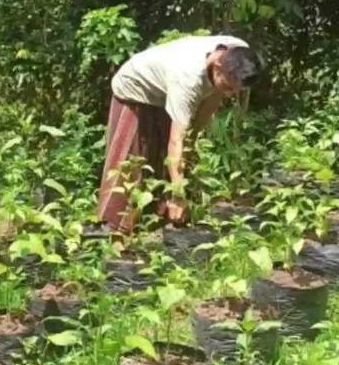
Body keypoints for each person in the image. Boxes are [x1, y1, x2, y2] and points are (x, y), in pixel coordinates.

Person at [96, 34, 262, 236]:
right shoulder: (186, 78)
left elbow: (200, 118)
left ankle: (155, 228)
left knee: (173, 162)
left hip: (166, 91)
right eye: (227, 87)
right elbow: (177, 141)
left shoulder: (238, 51)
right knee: (133, 165)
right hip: (135, 89)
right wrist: (178, 195)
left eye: (235, 91)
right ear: (217, 66)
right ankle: (114, 233)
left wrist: (190, 147)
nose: (229, 95)